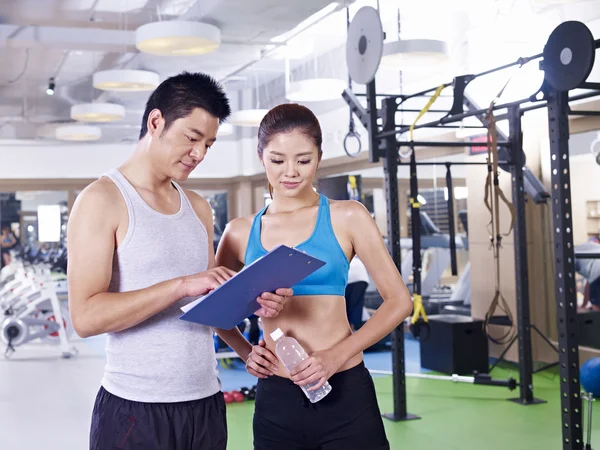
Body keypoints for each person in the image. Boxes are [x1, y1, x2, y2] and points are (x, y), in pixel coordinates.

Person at [66, 72, 293, 450]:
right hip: (136, 409)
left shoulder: (199, 208)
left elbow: (208, 305)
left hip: (205, 403)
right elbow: (85, 318)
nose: (200, 154)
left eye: (209, 144)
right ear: (156, 122)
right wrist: (181, 285)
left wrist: (249, 335)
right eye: (191, 138)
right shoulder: (102, 200)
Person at [214, 103, 413, 450]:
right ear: (261, 156)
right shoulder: (239, 232)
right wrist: (245, 352)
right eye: (277, 160)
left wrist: (335, 357)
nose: (290, 172)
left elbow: (399, 302)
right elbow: (216, 311)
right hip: (276, 399)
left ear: (319, 157)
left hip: (345, 390)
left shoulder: (347, 217)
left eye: (303, 160)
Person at [575, 240, 600, 312]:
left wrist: (575, 308)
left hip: (597, 270)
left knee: (596, 306)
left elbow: (570, 285)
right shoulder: (585, 248)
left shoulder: (571, 254)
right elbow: (588, 284)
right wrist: (584, 304)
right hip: (596, 270)